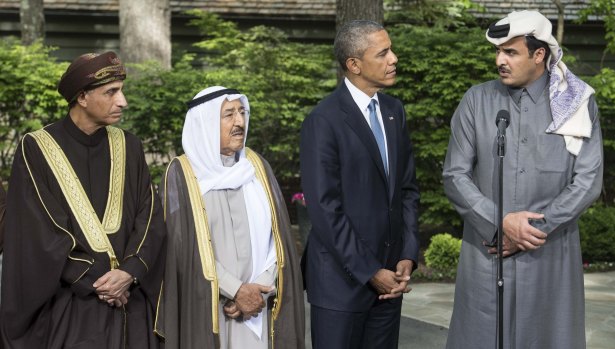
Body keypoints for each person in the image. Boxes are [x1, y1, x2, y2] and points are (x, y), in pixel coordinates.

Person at [443, 10, 603, 349]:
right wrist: (499, 221)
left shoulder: (576, 103)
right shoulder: (476, 100)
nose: (500, 60)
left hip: (550, 253)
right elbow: (455, 175)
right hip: (488, 250)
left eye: (510, 52)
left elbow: (588, 181)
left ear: (539, 54)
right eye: (497, 51)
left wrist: (533, 230)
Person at [0, 52, 166, 348]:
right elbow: (39, 232)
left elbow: (149, 214)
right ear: (82, 97)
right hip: (72, 308)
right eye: (111, 92)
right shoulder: (36, 148)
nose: (123, 101)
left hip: (131, 305)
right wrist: (102, 282)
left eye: (121, 91)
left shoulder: (130, 145)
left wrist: (129, 272)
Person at [300, 20, 420, 349]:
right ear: (354, 64)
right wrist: (370, 271)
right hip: (340, 285)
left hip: (390, 284)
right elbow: (325, 209)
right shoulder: (323, 120)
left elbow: (407, 190)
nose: (393, 58)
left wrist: (407, 255)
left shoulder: (394, 111)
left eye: (391, 50)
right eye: (382, 53)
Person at [155, 86, 305, 348]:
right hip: (210, 306)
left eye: (242, 112)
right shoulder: (182, 174)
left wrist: (260, 288)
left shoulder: (256, 165)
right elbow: (182, 248)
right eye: (229, 114)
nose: (240, 122)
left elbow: (278, 237)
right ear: (206, 123)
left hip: (261, 303)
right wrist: (235, 290)